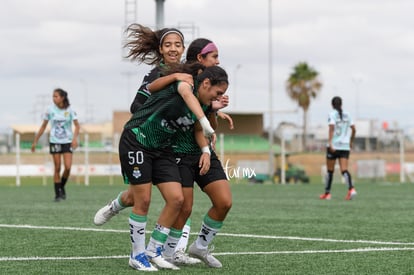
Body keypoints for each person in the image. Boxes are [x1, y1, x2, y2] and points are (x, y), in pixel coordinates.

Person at [95, 64, 229, 271]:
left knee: (177, 200)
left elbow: (196, 128)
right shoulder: (185, 85)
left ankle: (153, 251)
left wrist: (205, 149)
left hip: (161, 148)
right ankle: (137, 255)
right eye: (218, 93)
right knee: (143, 199)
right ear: (205, 83)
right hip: (137, 139)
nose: (219, 97)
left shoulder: (203, 103)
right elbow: (155, 87)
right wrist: (205, 120)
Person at [31, 88, 80, 202]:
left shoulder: (70, 110)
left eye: (56, 96)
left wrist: (74, 139)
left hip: (67, 141)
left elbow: (77, 126)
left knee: (68, 167)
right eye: (53, 96)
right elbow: (43, 126)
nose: (54, 98)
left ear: (62, 98)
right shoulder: (50, 110)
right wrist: (35, 141)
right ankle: (58, 194)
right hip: (55, 141)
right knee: (57, 167)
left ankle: (61, 187)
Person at [320, 96, 357, 200]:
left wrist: (330, 143)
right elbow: (354, 129)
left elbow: (331, 128)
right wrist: (351, 141)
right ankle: (351, 189)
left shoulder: (331, 114)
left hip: (334, 146)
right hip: (345, 147)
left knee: (330, 171)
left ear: (332, 105)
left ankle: (327, 193)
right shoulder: (348, 114)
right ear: (341, 104)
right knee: (344, 170)